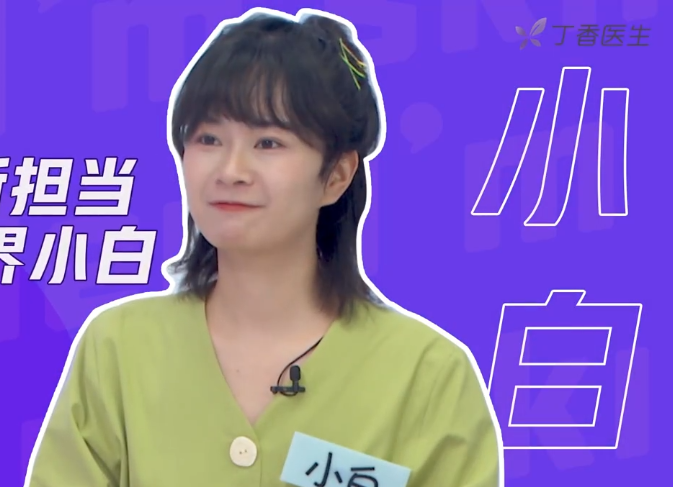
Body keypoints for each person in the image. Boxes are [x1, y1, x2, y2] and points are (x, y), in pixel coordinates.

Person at [25, 7, 503, 487]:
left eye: (268, 143)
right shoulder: (119, 348)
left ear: (337, 175)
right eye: (209, 138)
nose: (231, 170)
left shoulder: (428, 376)